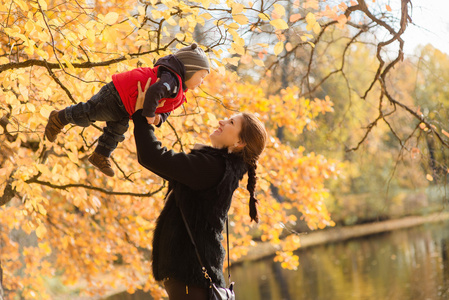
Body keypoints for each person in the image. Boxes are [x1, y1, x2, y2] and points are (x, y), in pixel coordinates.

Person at [133, 79, 267, 299]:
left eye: (231, 123)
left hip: (191, 280)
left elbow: (153, 156)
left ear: (240, 143)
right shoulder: (219, 168)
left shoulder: (214, 168)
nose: (222, 121)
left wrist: (141, 115)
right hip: (192, 281)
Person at [44, 43, 210, 177]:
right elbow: (154, 92)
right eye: (201, 76)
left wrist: (159, 119)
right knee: (90, 113)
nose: (202, 82)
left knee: (117, 130)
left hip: (127, 105)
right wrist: (149, 114)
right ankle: (59, 118)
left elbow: (167, 109)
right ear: (189, 69)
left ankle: (100, 154)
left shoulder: (179, 91)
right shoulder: (171, 79)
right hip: (118, 93)